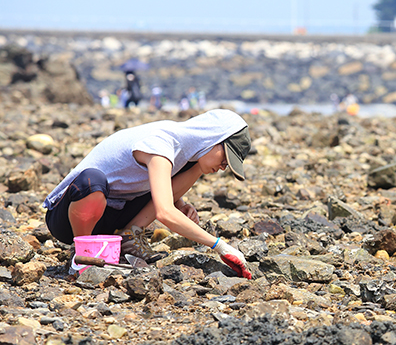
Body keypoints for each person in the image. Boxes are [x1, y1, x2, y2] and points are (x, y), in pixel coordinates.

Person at [43, 109, 253, 279]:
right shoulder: (162, 143)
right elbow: (164, 213)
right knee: (92, 181)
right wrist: (220, 246)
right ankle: (82, 254)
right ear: (214, 137)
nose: (224, 167)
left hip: (110, 214)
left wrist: (179, 203)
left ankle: (128, 236)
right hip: (67, 219)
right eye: (226, 158)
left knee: (195, 168)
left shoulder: (186, 153)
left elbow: (151, 182)